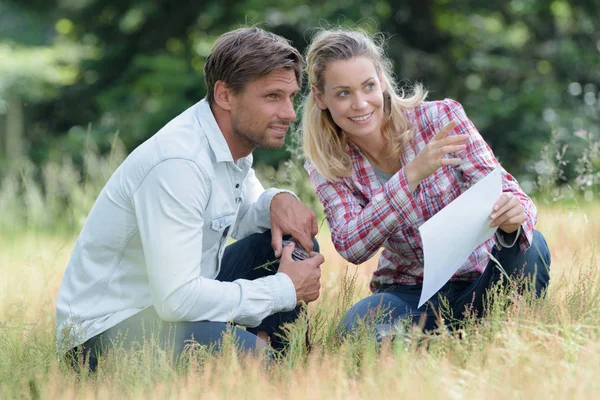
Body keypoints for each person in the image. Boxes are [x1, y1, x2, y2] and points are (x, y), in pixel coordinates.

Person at [56, 27, 324, 370]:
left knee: (291, 239)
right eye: (272, 96)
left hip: (166, 308)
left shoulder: (230, 144)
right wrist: (283, 289)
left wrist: (277, 199)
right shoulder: (178, 164)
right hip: (106, 334)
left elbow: (241, 213)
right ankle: (264, 365)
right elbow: (177, 299)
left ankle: (272, 359)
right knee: (264, 367)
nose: (289, 113)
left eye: (290, 96)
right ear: (225, 95)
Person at [301, 28, 551, 337]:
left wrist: (513, 217)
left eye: (368, 86)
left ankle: (490, 333)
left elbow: (513, 194)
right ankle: (441, 341)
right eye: (343, 93)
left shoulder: (439, 118)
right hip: (410, 294)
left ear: (380, 79)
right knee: (355, 330)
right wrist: (410, 175)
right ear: (319, 96)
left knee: (533, 244)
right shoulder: (327, 163)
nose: (361, 104)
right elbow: (352, 246)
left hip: (482, 279)